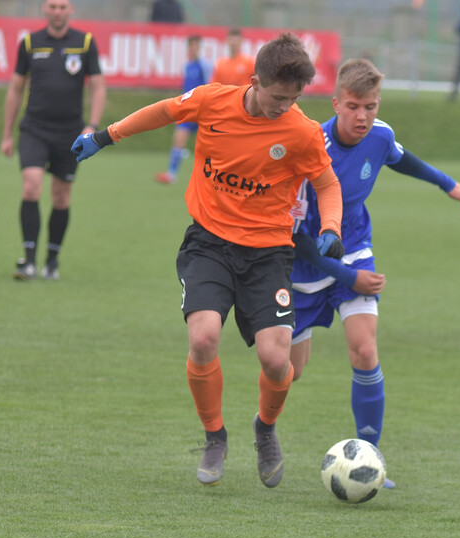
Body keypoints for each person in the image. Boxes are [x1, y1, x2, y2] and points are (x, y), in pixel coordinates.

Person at [71, 32, 344, 489]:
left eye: (294, 98)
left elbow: (327, 184)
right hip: (209, 243)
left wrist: (331, 227)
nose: (285, 106)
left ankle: (265, 429)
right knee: (203, 339)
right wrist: (106, 136)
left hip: (269, 252)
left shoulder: (300, 130)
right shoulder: (212, 101)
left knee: (280, 363)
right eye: (279, 97)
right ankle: (215, 436)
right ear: (255, 81)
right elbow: (164, 111)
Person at [289, 58, 460, 489]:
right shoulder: (308, 146)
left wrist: (447, 184)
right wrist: (345, 277)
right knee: (290, 372)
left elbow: (401, 159)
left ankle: (369, 454)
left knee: (364, 351)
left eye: (370, 106)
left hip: (354, 249)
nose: (362, 116)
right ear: (336, 103)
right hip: (304, 264)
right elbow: (295, 236)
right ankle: (265, 427)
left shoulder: (380, 134)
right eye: (354, 106)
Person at [1, 0, 105, 281]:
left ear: (71, 9)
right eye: (52, 6)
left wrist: (92, 126)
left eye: (62, 6)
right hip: (34, 128)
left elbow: (97, 87)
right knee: (31, 186)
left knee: (61, 195)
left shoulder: (85, 43)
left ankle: (52, 260)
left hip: (70, 133)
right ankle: (29, 261)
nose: (57, 11)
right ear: (43, 9)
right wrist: (7, 133)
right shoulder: (30, 43)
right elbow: (15, 89)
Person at [154, 35, 211, 184]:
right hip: (188, 109)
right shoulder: (187, 66)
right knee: (178, 139)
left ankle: (214, 178)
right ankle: (171, 174)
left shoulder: (205, 65)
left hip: (204, 110)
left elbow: (211, 84)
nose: (193, 49)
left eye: (196, 46)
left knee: (210, 145)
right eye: (191, 46)